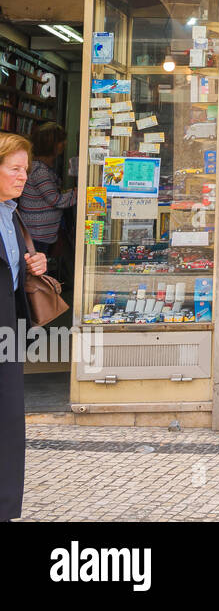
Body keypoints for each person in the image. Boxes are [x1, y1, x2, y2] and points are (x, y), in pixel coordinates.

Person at [0, 133, 52, 521]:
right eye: (15, 169)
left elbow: (16, 267)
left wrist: (36, 264)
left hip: (9, 331)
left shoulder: (13, 213)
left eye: (26, 169)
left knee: (8, 424)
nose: (23, 177)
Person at [19, 123, 76, 258]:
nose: (65, 143)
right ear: (52, 145)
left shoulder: (41, 168)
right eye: (61, 141)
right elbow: (56, 200)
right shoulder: (40, 172)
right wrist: (78, 192)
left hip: (39, 233)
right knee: (35, 273)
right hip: (37, 234)